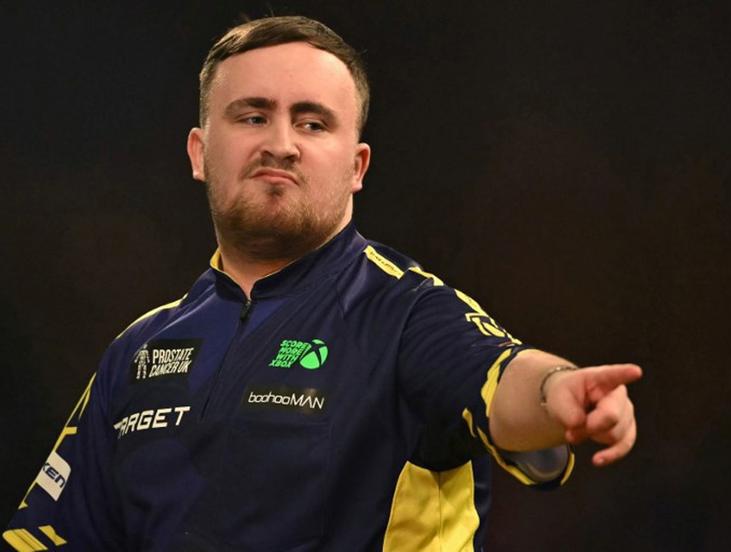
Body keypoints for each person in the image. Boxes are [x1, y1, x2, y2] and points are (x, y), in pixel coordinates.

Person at [4, 16, 641, 551]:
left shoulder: (405, 312)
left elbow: (503, 380)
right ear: (200, 152)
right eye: (252, 117)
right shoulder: (138, 350)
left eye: (312, 123)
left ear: (357, 164)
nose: (281, 144)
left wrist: (559, 390)